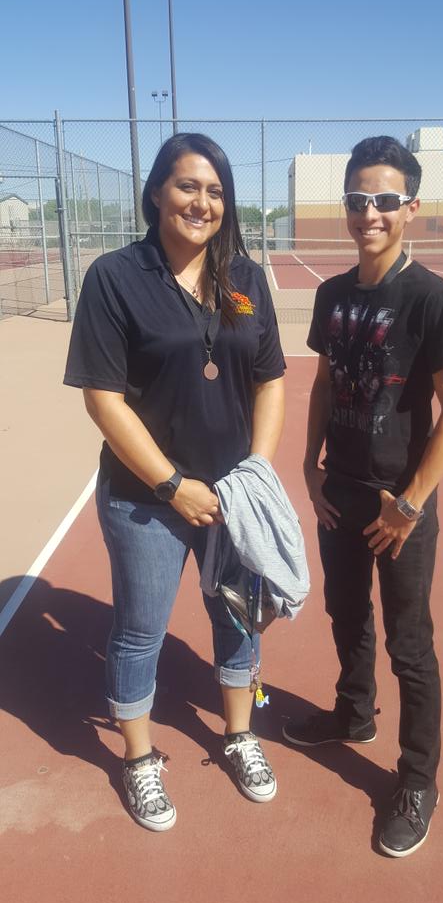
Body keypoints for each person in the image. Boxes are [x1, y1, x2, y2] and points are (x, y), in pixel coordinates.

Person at [64, 133, 286, 831]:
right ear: (158, 191)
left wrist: (254, 474)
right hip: (146, 501)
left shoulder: (245, 278)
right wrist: (171, 485)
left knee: (238, 618)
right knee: (140, 631)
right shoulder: (115, 276)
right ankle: (138, 758)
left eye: (215, 191)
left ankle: (239, 734)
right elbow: (103, 398)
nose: (201, 202)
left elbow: (271, 380)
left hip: (232, 497)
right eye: (187, 186)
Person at [282, 136, 443, 857]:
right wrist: (309, 466)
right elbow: (325, 384)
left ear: (410, 208)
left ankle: (418, 779)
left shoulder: (432, 298)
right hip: (342, 491)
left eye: (385, 200)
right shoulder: (332, 296)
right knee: (344, 612)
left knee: (409, 644)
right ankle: (353, 713)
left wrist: (411, 502)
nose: (370, 213)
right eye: (358, 199)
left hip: (402, 506)